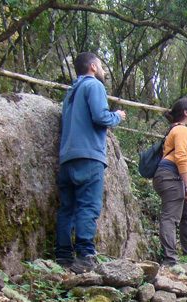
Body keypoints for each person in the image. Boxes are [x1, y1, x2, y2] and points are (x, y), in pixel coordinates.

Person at [55, 52, 126, 273]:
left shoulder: (70, 93)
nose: (103, 70)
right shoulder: (94, 86)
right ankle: (85, 255)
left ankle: (63, 256)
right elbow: (100, 117)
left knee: (67, 208)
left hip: (67, 158)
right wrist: (118, 116)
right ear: (93, 66)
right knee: (88, 206)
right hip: (89, 156)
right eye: (102, 66)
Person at [153, 97, 187, 266]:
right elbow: (180, 158)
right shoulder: (181, 130)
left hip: (174, 176)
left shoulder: (181, 130)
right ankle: (170, 259)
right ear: (186, 113)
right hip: (170, 176)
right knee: (170, 217)